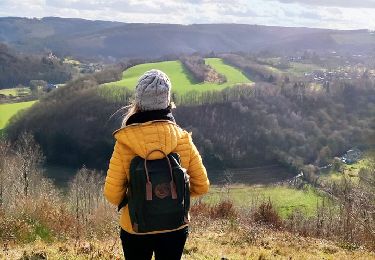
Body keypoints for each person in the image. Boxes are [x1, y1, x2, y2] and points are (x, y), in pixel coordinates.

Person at [104, 69, 210, 260]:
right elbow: (201, 185)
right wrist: (172, 196)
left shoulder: (125, 142)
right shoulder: (182, 138)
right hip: (174, 225)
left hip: (135, 227)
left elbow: (112, 195)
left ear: (138, 102)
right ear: (167, 101)